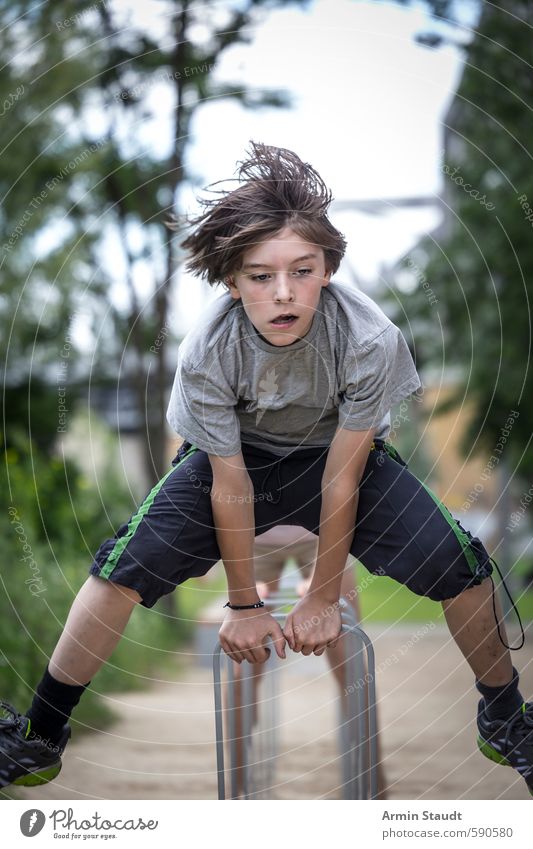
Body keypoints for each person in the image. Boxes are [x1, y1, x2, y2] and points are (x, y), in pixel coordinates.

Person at [0, 142, 531, 798]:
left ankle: (503, 717)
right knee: (119, 567)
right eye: (259, 276)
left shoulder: (368, 338)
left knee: (461, 564)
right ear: (230, 279)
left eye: (302, 271)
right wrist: (245, 605)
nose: (283, 293)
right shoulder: (208, 350)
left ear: (328, 268)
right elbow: (229, 482)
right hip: (232, 464)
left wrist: (321, 595)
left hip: (334, 460)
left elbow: (343, 476)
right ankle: (42, 731)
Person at [229, 525, 389, 798]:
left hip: (322, 532)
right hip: (251, 533)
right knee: (243, 665)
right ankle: (238, 785)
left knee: (350, 661)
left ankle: (373, 780)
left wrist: (321, 593)